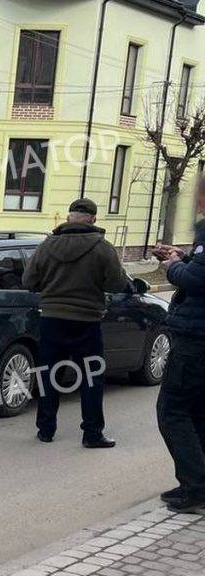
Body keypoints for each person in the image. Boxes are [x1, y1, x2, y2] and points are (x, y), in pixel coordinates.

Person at [22, 198, 129, 448]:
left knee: (49, 375)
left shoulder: (47, 246)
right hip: (86, 321)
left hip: (51, 318)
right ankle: (92, 433)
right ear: (93, 219)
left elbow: (28, 280)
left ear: (69, 217)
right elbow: (116, 284)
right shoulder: (103, 248)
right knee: (92, 378)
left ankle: (46, 429)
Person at [153, 175, 205, 513]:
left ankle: (196, 487)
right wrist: (186, 257)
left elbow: (198, 281)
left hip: (196, 337)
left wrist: (172, 266)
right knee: (198, 411)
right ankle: (196, 481)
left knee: (171, 410)